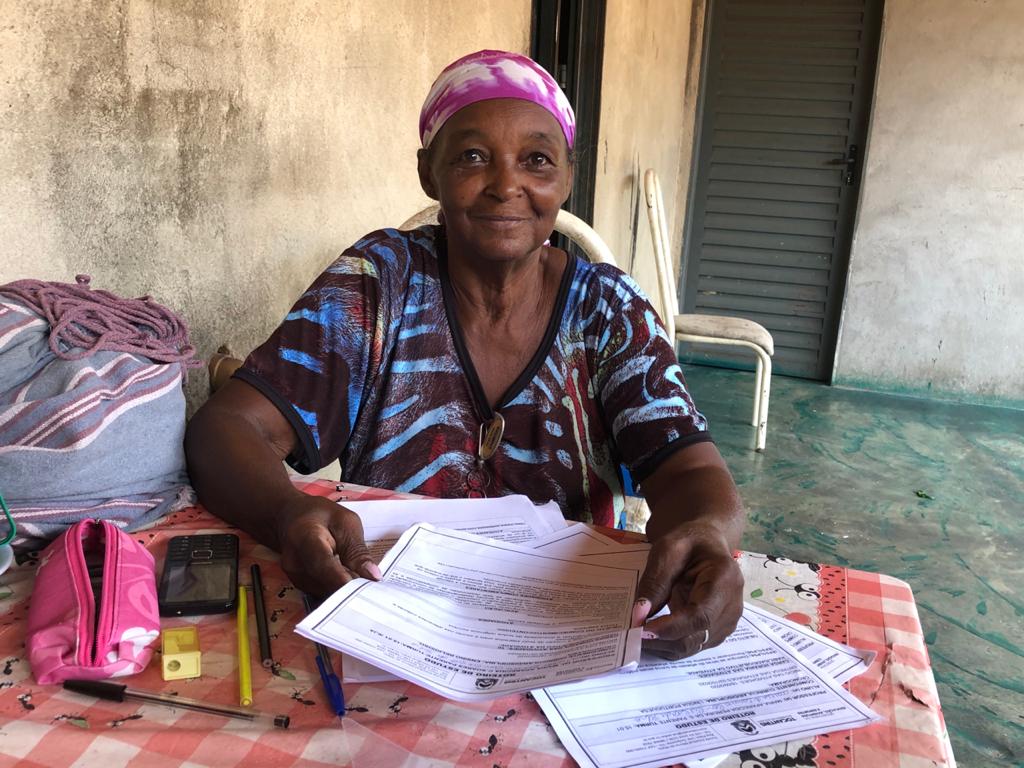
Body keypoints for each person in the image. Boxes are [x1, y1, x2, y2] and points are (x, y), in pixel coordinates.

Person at [185, 50, 744, 660]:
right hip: (392, 625)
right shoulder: (379, 283)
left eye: (536, 160)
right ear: (430, 173)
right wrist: (286, 513)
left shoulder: (607, 310)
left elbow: (689, 473)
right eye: (473, 157)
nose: (507, 185)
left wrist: (707, 534)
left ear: (566, 177)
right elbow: (227, 427)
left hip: (569, 629)